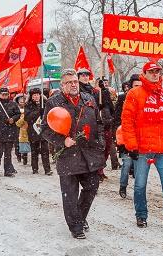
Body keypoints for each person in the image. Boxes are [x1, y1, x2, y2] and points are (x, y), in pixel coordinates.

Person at [40, 68, 105, 239]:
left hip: (90, 153)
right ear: (62, 85)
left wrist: (100, 142)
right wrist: (62, 142)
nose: (74, 84)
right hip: (68, 154)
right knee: (70, 193)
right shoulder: (53, 102)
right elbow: (45, 129)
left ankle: (79, 217)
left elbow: (99, 123)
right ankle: (75, 227)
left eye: (75, 81)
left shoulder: (89, 99)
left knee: (91, 187)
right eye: (69, 82)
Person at [122, 61, 163, 232]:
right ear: (144, 74)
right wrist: (131, 145)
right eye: (151, 71)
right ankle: (141, 215)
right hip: (143, 149)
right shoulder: (134, 94)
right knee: (140, 184)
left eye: (157, 71)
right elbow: (127, 122)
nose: (155, 74)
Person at [78, 69, 115, 181]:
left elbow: (105, 104)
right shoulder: (78, 90)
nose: (85, 77)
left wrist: (103, 91)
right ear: (78, 77)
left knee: (104, 146)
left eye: (87, 75)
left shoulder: (94, 90)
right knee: (91, 148)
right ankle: (91, 171)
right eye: (83, 75)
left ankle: (99, 169)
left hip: (100, 122)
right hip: (85, 123)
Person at [116, 75, 140, 198]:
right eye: (136, 86)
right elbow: (117, 118)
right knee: (126, 164)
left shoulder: (145, 99)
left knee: (138, 167)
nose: (138, 88)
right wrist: (119, 134)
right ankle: (123, 187)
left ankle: (138, 191)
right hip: (126, 136)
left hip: (140, 139)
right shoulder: (122, 98)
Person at [24, 88, 53, 175]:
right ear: (31, 96)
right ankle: (35, 168)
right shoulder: (28, 105)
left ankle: (47, 169)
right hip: (33, 130)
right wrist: (37, 112)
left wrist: (44, 111)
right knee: (34, 151)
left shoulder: (45, 103)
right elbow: (27, 117)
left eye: (38, 95)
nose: (36, 96)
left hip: (43, 130)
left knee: (45, 151)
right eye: (34, 95)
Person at [14, 94, 29, 166]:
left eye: (23, 99)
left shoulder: (27, 107)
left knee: (25, 141)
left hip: (25, 127)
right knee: (17, 142)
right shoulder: (15, 108)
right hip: (16, 126)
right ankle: (18, 155)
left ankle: (24, 156)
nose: (22, 101)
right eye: (20, 99)